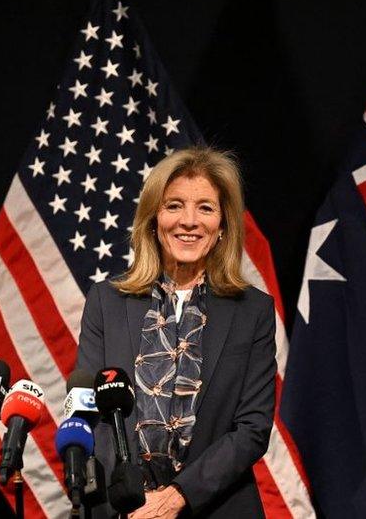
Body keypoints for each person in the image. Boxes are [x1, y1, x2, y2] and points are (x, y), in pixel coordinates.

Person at [76, 146, 277, 518]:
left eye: (205, 207)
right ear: (153, 218)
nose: (189, 221)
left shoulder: (253, 312)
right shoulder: (106, 301)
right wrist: (127, 499)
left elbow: (252, 427)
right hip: (122, 509)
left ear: (222, 226)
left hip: (215, 507)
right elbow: (92, 413)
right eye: (173, 206)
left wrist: (175, 498)